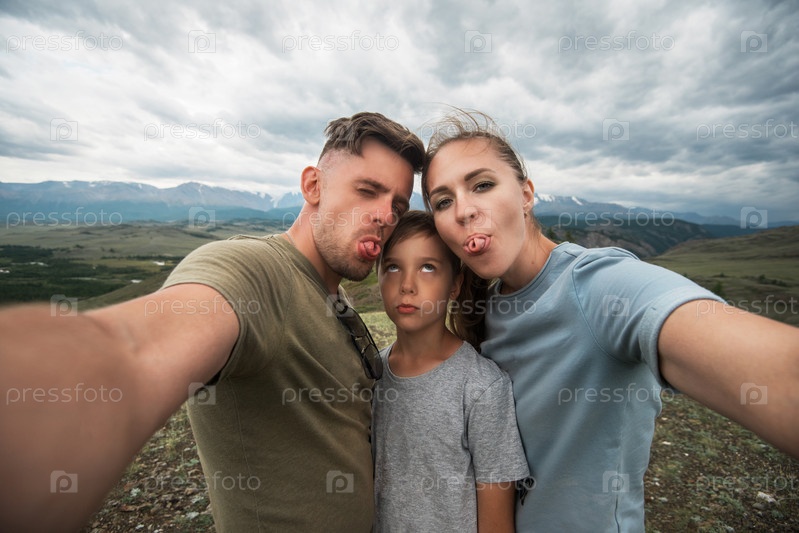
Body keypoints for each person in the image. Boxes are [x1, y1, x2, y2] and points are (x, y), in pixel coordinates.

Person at [0, 112, 425, 532]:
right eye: (367, 191)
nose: (385, 216)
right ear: (313, 186)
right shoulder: (254, 272)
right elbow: (132, 348)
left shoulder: (332, 293)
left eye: (398, 205)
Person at [420, 110, 799, 532]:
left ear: (526, 195)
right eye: (443, 202)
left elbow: (759, 362)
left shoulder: (598, 285)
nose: (464, 211)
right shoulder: (486, 309)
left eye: (482, 185)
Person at [371, 210, 529, 532]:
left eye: (428, 267)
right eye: (393, 267)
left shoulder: (482, 387)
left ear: (455, 285)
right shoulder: (370, 374)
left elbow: (497, 524)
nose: (407, 285)